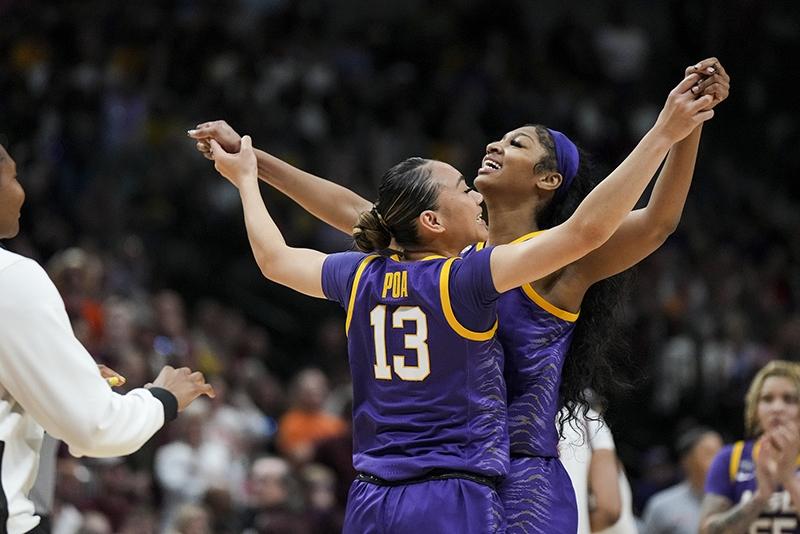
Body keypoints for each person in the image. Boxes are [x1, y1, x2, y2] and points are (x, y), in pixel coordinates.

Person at [190, 57, 729, 532]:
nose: (493, 145)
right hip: (452, 475)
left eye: (516, 143)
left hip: (521, 478)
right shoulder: (449, 262)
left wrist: (688, 124)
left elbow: (655, 223)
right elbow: (353, 210)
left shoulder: (553, 260)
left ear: (547, 181)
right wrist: (256, 163)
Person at [0, 143, 215, 534]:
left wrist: (65, 378)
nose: (22, 190)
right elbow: (96, 428)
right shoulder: (12, 277)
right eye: (13, 176)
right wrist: (162, 396)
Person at [700, 361, 800, 532]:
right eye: (767, 399)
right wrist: (760, 497)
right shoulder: (731, 457)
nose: (777, 408)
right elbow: (706, 530)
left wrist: (788, 479)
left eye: (789, 399)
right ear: (755, 409)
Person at [641, 426, 722, 534]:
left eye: (722, 454)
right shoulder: (662, 506)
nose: (719, 461)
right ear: (687, 461)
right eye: (709, 454)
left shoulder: (740, 500)